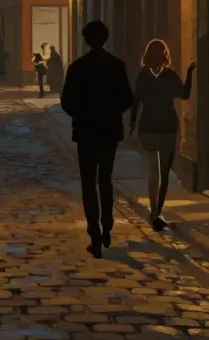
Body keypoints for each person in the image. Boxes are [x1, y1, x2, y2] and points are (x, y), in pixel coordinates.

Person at [60, 20, 134, 258]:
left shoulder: (77, 67)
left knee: (88, 183)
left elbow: (66, 102)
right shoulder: (117, 66)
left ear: (86, 40)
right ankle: (107, 221)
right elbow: (127, 98)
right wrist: (111, 113)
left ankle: (94, 234)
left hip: (86, 132)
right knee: (105, 179)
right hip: (109, 131)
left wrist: (81, 114)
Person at [129, 38, 195, 231]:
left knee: (153, 170)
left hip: (147, 126)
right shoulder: (169, 75)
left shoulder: (143, 76)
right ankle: (157, 212)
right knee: (165, 172)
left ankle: (152, 211)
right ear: (165, 55)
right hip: (167, 126)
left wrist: (132, 125)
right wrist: (190, 73)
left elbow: (136, 102)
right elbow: (184, 94)